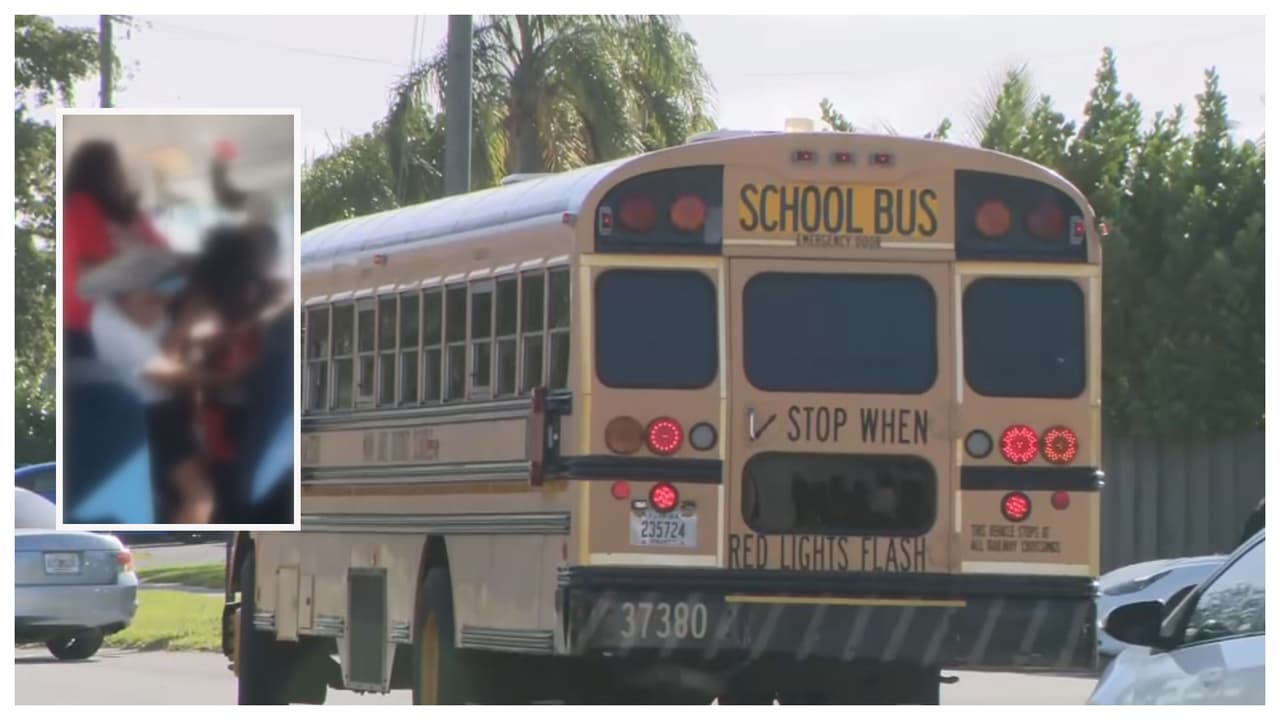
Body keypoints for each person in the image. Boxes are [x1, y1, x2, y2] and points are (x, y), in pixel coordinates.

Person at [79, 245, 215, 524]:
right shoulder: (113, 326)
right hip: (150, 414)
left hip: (160, 410)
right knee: (199, 496)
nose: (160, 309)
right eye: (154, 301)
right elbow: (165, 372)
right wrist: (228, 380)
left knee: (185, 493)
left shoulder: (138, 306)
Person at [62, 140, 168, 358]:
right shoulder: (81, 206)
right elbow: (89, 272)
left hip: (147, 324)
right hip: (88, 327)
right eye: (115, 169)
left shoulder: (133, 215)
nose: (121, 176)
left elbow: (167, 260)